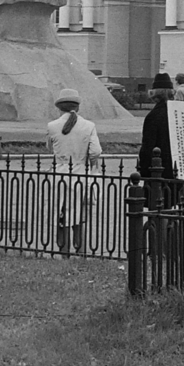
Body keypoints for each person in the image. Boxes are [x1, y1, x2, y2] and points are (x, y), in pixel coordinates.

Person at [47, 88, 102, 254]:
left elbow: (50, 147)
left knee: (61, 213)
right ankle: (81, 249)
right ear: (77, 107)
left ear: (59, 107)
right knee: (80, 215)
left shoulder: (52, 126)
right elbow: (95, 151)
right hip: (80, 173)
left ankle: (63, 250)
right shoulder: (89, 126)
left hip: (60, 173)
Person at [137, 72, 179, 208]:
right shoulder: (177, 113)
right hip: (176, 172)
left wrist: (143, 172)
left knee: (157, 212)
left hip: (157, 173)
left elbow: (147, 148)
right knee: (172, 208)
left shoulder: (153, 116)